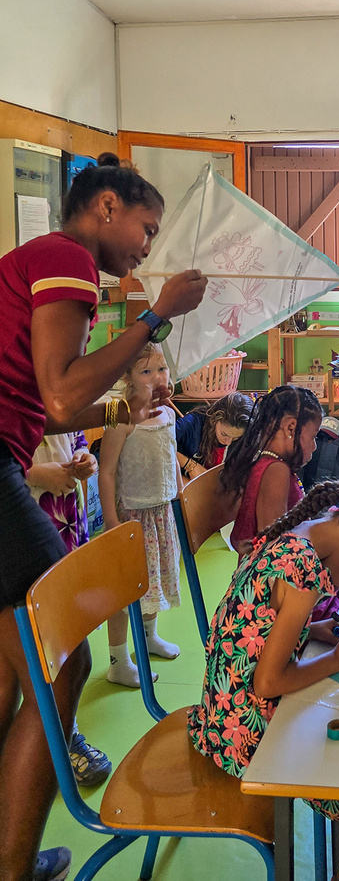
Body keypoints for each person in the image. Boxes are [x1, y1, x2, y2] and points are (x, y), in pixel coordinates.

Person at [0, 151, 205, 881]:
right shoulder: (66, 256)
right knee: (66, 658)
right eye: (146, 228)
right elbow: (58, 401)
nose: (146, 248)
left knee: (10, 672)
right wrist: (157, 314)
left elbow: (50, 395)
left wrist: (122, 404)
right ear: (107, 208)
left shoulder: (53, 264)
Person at [188, 481, 339, 880]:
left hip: (218, 712)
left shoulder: (296, 535)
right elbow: (267, 684)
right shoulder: (303, 571)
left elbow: (254, 628)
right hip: (247, 735)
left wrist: (311, 630)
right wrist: (338, 658)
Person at [26, 432, 112, 787]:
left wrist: (84, 456)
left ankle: (64, 729)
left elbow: (76, 433)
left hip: (65, 521)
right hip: (26, 522)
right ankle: (58, 736)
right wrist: (33, 474)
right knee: (40, 639)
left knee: (67, 638)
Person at [99, 343, 185, 686]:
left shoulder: (168, 412)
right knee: (125, 592)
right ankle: (118, 659)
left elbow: (173, 453)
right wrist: (110, 520)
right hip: (132, 514)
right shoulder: (118, 415)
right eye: (145, 371)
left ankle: (148, 636)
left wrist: (181, 495)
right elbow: (106, 472)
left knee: (154, 583)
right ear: (128, 377)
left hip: (162, 512)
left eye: (161, 369)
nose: (156, 377)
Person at [221, 385, 323, 557]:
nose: (314, 447)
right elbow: (274, 550)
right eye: (313, 437)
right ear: (291, 427)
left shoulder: (271, 464)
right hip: (265, 580)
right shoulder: (276, 472)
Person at [176, 391, 253, 481]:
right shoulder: (191, 424)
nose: (228, 442)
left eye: (236, 438)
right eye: (224, 434)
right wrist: (190, 466)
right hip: (178, 482)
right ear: (214, 420)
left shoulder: (246, 438)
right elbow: (160, 446)